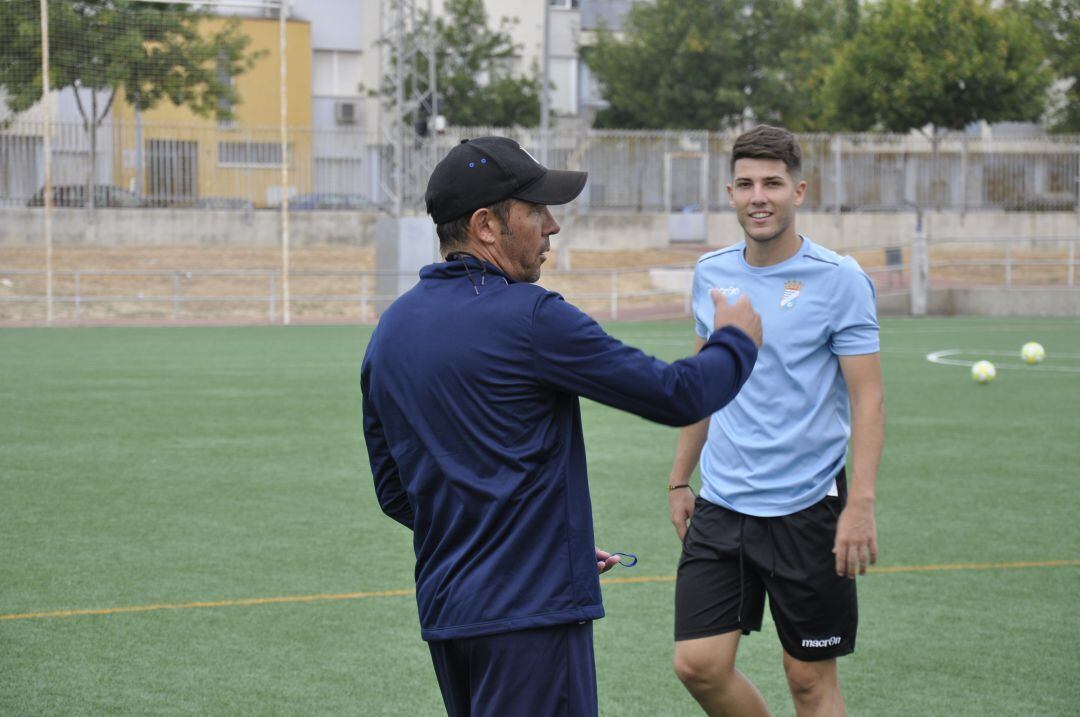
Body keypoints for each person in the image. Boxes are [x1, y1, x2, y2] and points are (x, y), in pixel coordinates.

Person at [361, 136, 763, 717]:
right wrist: (735, 339)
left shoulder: (390, 330)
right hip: (534, 618)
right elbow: (679, 395)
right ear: (486, 225)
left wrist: (540, 536)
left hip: (450, 616)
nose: (552, 226)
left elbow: (397, 492)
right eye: (536, 210)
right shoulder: (533, 316)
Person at [668, 125, 885, 717]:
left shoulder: (840, 279)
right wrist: (680, 479)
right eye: (745, 184)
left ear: (799, 191)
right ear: (730, 193)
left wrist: (858, 504)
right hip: (724, 503)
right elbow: (702, 383)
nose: (758, 195)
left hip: (809, 507)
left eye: (772, 183)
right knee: (698, 664)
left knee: (809, 682)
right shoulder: (712, 274)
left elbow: (868, 400)